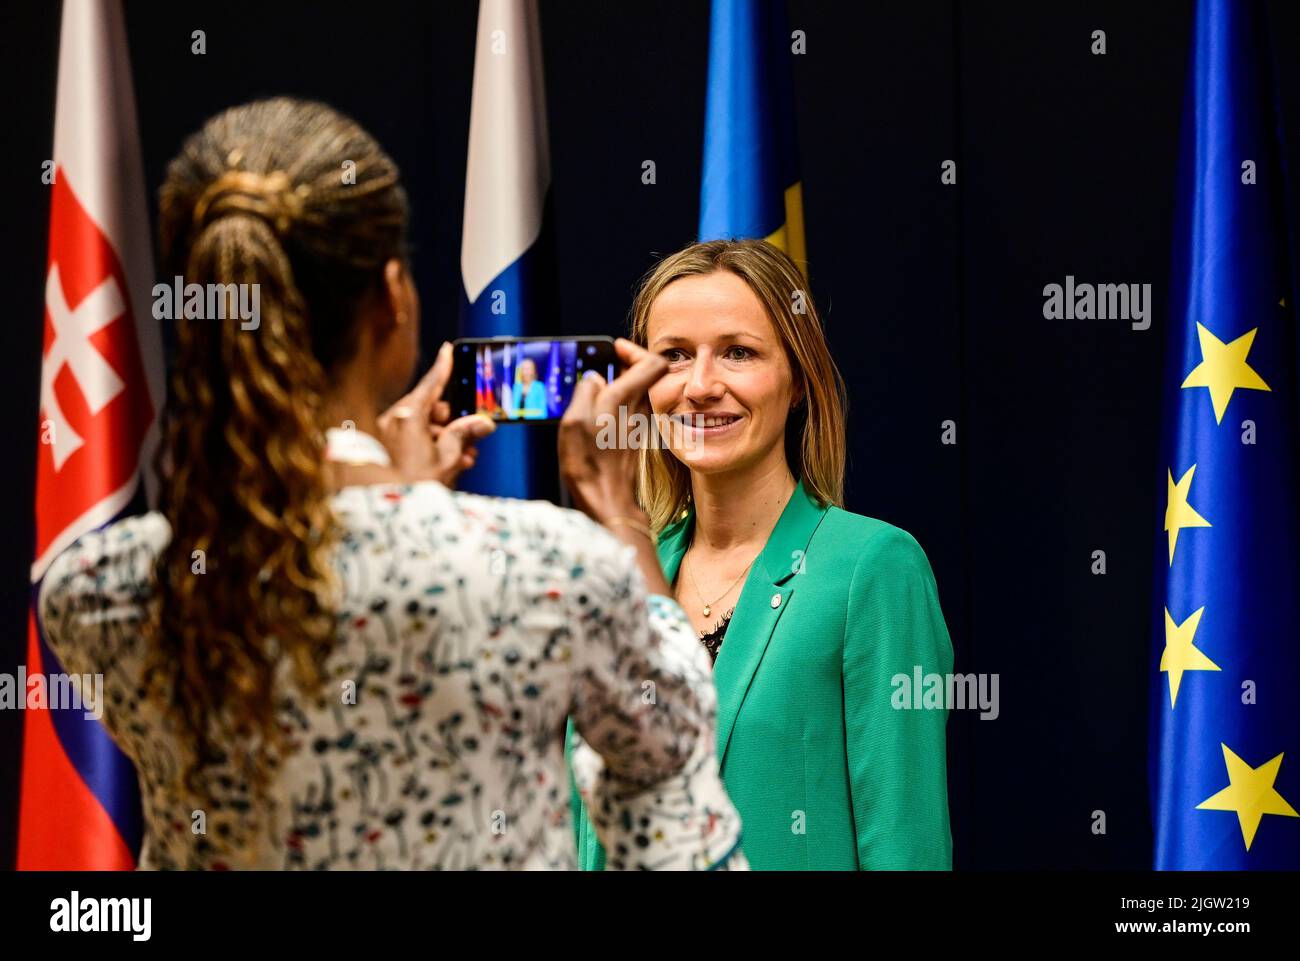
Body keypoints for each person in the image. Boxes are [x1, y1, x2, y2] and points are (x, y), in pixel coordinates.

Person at [38, 98, 744, 871]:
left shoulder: (98, 590)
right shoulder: (549, 567)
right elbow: (669, 771)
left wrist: (398, 501)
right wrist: (616, 514)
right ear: (394, 297)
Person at [570, 239, 954, 870]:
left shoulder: (874, 567)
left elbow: (906, 849)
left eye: (738, 353)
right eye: (673, 357)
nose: (700, 386)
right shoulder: (617, 573)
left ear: (798, 380)